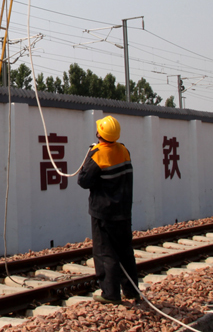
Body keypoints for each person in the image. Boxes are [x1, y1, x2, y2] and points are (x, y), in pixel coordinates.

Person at [77, 116, 139, 304]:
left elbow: (83, 181)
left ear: (99, 134)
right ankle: (131, 291)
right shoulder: (124, 151)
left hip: (104, 213)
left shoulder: (97, 155)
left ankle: (110, 294)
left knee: (106, 253)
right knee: (125, 251)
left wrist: (89, 156)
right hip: (123, 211)